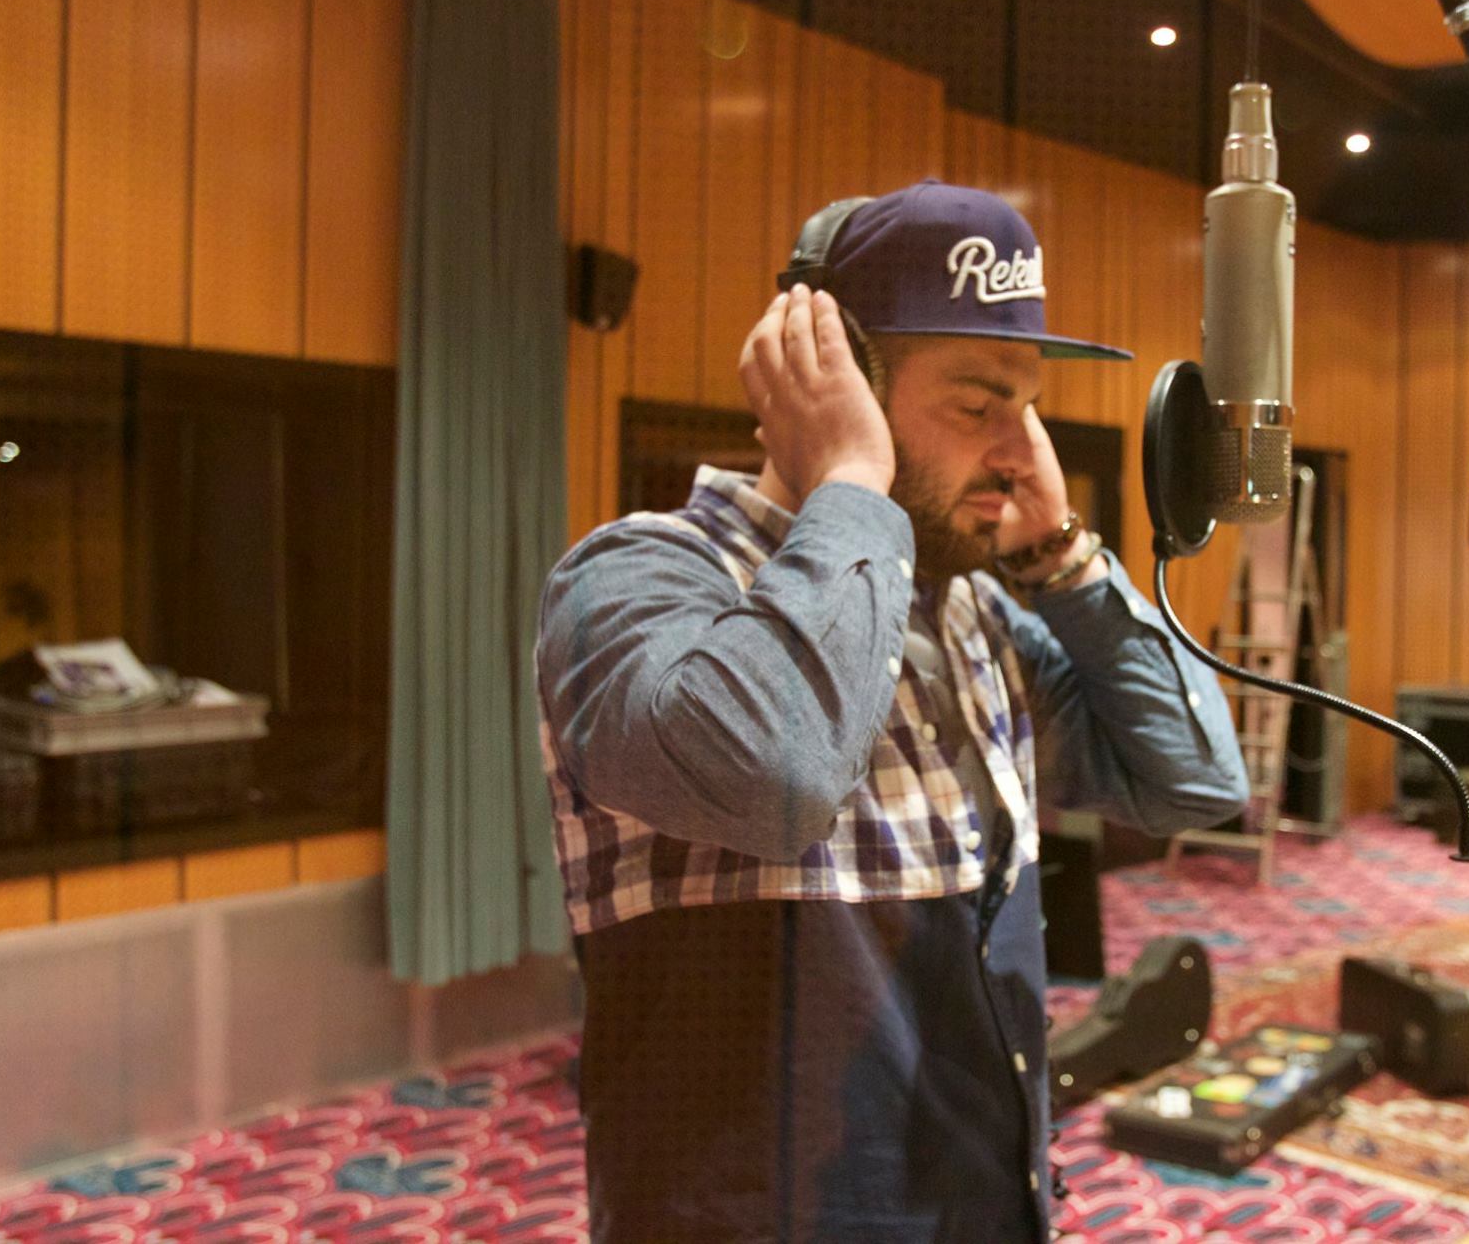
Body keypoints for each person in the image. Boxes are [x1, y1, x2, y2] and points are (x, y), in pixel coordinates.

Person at [535, 180, 1248, 1243]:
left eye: (1028, 406)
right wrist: (851, 480)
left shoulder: (973, 615)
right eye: (978, 405)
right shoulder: (637, 579)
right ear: (835, 378)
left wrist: (1062, 560)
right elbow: (778, 776)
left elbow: (1195, 780)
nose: (1021, 450)